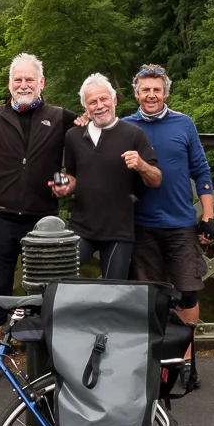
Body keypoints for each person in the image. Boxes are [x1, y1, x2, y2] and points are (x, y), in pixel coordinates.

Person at [0, 53, 82, 386]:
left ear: (41, 82)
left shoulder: (60, 117)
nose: (23, 85)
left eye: (29, 79)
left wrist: (71, 179)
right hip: (1, 216)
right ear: (9, 83)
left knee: (49, 292)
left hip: (44, 221)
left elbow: (91, 139)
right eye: (17, 79)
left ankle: (48, 358)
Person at [124, 64, 213, 387]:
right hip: (140, 224)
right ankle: (152, 359)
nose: (151, 95)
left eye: (157, 90)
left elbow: (201, 171)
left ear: (165, 93)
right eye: (145, 90)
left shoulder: (184, 123)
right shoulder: (125, 126)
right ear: (136, 94)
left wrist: (208, 216)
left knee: (187, 292)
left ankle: (187, 360)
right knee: (147, 297)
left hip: (180, 222)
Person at [55, 73, 161, 279]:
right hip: (81, 228)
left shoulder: (134, 134)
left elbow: (156, 179)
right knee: (58, 277)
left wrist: (141, 165)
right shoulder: (73, 136)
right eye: (92, 102)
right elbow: (73, 176)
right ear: (85, 108)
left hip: (118, 232)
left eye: (104, 99)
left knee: (112, 290)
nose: (100, 106)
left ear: (114, 100)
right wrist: (65, 185)